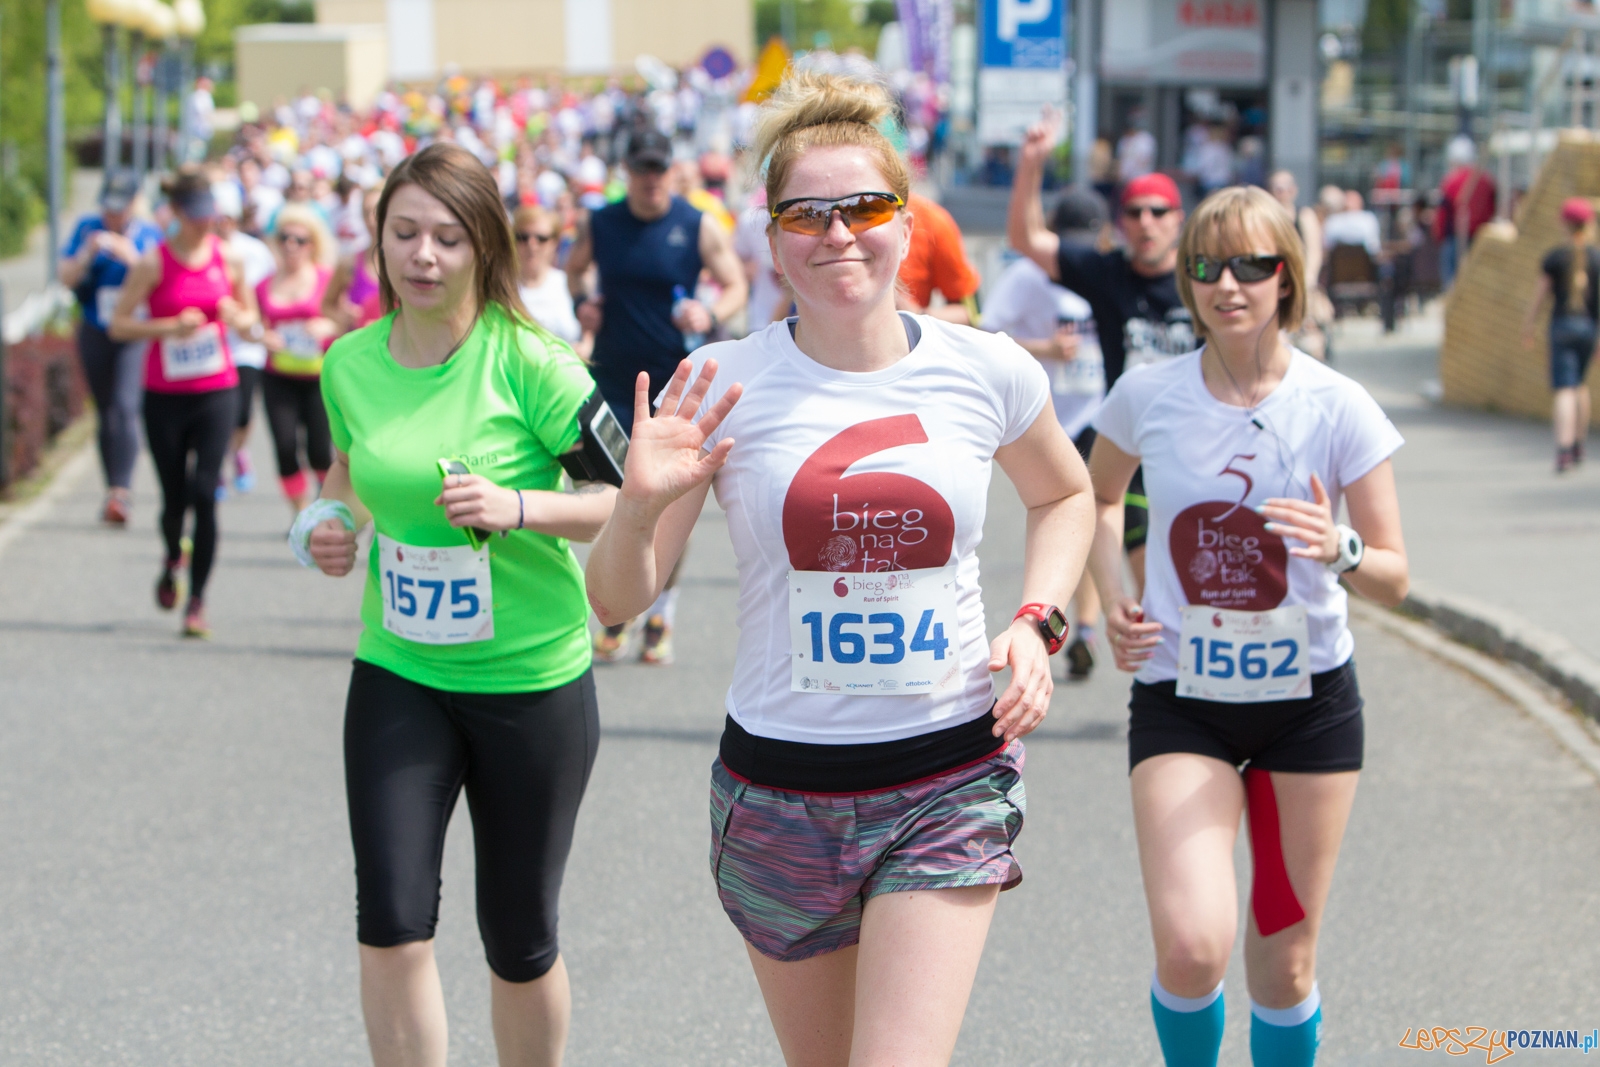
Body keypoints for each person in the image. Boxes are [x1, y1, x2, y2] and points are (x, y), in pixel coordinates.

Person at [583, 71, 1094, 1067]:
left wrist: (1039, 620)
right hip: (778, 791)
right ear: (772, 241)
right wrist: (636, 504)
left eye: (863, 207)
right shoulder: (720, 382)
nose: (838, 234)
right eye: (805, 215)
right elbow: (615, 598)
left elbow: (1065, 495)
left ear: (906, 221)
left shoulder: (986, 368)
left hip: (947, 774)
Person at [300, 143, 619, 1067]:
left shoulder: (534, 365)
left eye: (446, 236)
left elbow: (621, 499)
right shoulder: (349, 363)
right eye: (404, 233)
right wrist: (326, 520)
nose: (423, 255)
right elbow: (347, 469)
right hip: (400, 671)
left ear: (484, 246)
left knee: (518, 935)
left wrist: (516, 506)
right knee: (390, 917)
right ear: (378, 242)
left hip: (531, 681)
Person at [1085, 186, 1409, 1067]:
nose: (1227, 284)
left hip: (1308, 709)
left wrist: (1339, 546)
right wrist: (1114, 593)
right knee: (1193, 946)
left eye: (1251, 265)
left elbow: (1394, 575)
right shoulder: (1147, 393)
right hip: (1181, 700)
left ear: (1286, 276)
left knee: (1284, 962)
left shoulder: (1338, 404)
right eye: (1206, 265)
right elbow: (1097, 497)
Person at [566, 127, 748, 665]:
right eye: (642, 169)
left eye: (659, 168)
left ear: (671, 170)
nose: (651, 179)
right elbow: (574, 269)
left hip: (674, 387)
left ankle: (661, 611)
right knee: (614, 500)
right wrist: (582, 304)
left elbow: (735, 284)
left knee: (668, 505)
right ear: (626, 172)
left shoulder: (695, 224)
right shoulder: (601, 222)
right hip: (614, 383)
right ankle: (620, 606)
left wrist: (709, 313)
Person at [1008, 115, 1195, 595]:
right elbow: (1027, 239)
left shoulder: (1204, 281)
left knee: (1195, 580)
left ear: (1178, 220)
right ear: (1120, 223)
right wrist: (1031, 164)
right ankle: (1119, 618)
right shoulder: (1108, 274)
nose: (1146, 222)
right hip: (1132, 448)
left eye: (1158, 211)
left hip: (1197, 446)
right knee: (1154, 587)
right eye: (1134, 212)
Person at [109, 167, 259, 639]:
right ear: (175, 212)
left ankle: (196, 602)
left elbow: (251, 319)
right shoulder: (153, 263)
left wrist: (237, 316)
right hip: (165, 397)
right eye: (194, 215)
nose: (203, 223)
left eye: (208, 214)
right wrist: (167, 328)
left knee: (205, 493)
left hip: (216, 391)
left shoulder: (228, 259)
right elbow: (119, 324)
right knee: (175, 498)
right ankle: (174, 553)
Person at [984, 185, 1109, 679]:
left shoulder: (1102, 270)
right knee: (1058, 514)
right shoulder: (1026, 276)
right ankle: (1053, 619)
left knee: (1089, 514)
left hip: (1096, 411)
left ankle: (1087, 628)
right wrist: (1046, 348)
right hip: (1047, 417)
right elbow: (988, 332)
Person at [58, 171, 164, 526]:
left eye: (120, 208)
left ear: (134, 204)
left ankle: (122, 491)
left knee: (125, 405)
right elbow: (65, 277)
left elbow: (162, 281)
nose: (113, 215)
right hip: (96, 328)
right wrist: (88, 253)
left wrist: (130, 256)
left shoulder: (150, 235)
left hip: (134, 330)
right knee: (105, 411)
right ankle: (112, 488)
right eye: (108, 208)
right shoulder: (87, 229)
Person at [257, 204, 339, 515]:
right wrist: (262, 336)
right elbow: (253, 324)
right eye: (285, 238)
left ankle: (329, 506)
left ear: (313, 245)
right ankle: (301, 514)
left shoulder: (327, 279)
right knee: (284, 448)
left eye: (300, 240)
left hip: (319, 377)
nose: (291, 245)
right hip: (278, 375)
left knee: (320, 451)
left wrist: (329, 326)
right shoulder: (263, 284)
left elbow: (346, 318)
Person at [1520, 196, 1599, 472]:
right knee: (1580, 385)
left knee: (1564, 389)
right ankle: (1579, 445)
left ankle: (1563, 449)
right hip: (1589, 328)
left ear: (1564, 223)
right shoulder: (1596, 258)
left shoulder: (1555, 258)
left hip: (1562, 326)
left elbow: (1539, 296)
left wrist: (1528, 325)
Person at [213, 180, 278, 495]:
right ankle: (216, 464)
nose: (223, 224)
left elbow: (268, 294)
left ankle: (237, 451)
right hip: (214, 344)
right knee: (217, 411)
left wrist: (257, 327)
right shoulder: (202, 249)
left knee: (242, 412)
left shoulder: (254, 251)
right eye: (218, 218)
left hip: (247, 345)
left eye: (229, 218)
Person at [1268, 170, 1328, 362]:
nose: (1281, 192)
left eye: (1285, 188)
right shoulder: (1265, 218)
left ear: (1294, 190)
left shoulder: (1305, 215)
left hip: (1301, 282)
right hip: (1273, 282)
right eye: (1277, 188)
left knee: (1309, 331)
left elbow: (1314, 250)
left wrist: (1308, 279)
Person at [897, 192, 982, 325]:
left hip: (909, 333)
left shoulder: (932, 221)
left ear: (906, 231)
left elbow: (972, 314)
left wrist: (916, 314)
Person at [513, 203, 585, 352]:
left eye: (541, 238)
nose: (532, 245)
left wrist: (585, 347)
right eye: (523, 237)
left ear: (555, 242)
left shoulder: (568, 284)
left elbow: (588, 332)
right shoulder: (501, 288)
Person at [1435, 136, 1497, 288]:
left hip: (1456, 238)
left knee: (1452, 283)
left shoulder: (1452, 181)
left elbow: (1443, 212)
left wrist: (1440, 235)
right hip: (1481, 236)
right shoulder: (1486, 179)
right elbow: (1492, 209)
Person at [324, 184, 386, 334]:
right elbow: (326, 305)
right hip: (361, 344)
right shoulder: (350, 262)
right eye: (366, 213)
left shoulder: (408, 262)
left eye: (377, 211)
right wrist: (343, 317)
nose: (371, 220)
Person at [1321, 190, 1381, 257]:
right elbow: (1374, 247)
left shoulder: (1333, 220)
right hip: (1364, 262)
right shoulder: (1369, 219)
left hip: (1338, 262)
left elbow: (1326, 246)